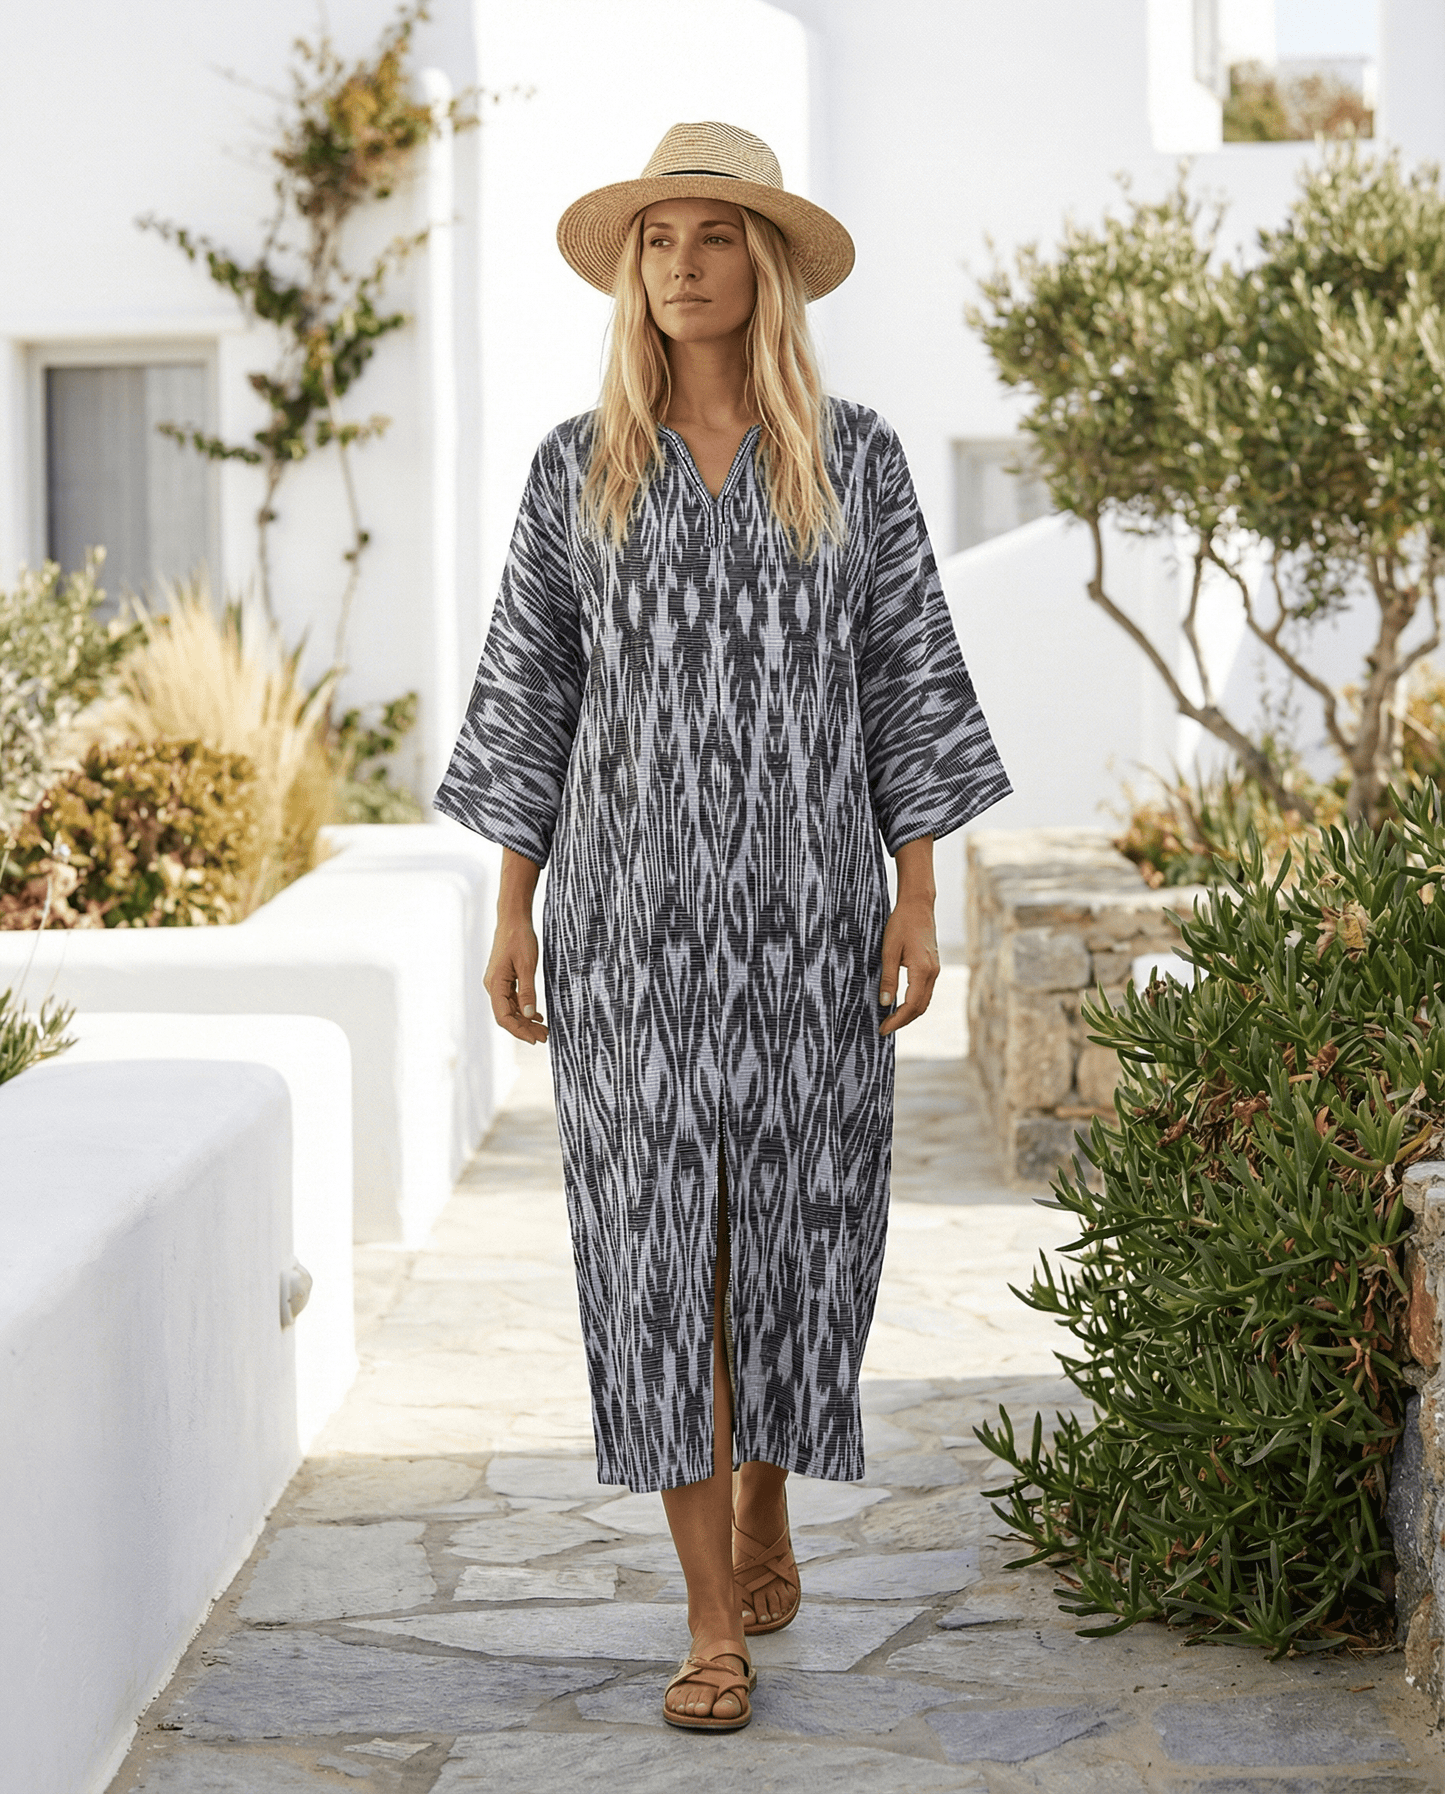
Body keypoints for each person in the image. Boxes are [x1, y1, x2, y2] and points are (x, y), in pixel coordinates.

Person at [434, 120, 1010, 1732]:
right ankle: (707, 1616)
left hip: (811, 925)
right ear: (634, 271)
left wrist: (916, 892)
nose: (683, 265)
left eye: (715, 236)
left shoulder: (858, 458)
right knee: (655, 1255)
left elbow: (907, 679)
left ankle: (769, 1492)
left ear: (766, 266)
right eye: (659, 238)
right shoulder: (574, 468)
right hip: (628, 931)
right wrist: (514, 909)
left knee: (798, 1240)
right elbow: (531, 698)